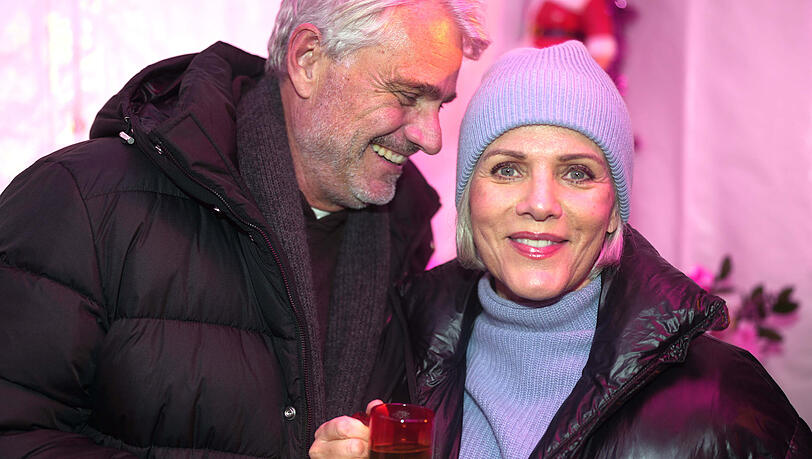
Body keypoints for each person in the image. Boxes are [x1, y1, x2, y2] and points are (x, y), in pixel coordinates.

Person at [0, 1, 489, 457]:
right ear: (308, 59)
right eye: (407, 95)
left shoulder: (404, 245)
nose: (433, 139)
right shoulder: (82, 200)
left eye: (441, 105)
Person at [313, 41, 812, 458]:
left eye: (577, 172)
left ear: (615, 209)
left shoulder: (723, 402)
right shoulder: (395, 356)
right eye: (508, 168)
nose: (539, 203)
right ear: (470, 201)